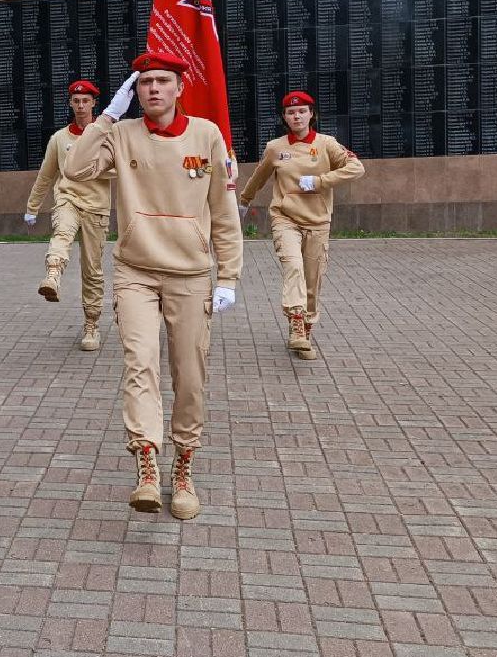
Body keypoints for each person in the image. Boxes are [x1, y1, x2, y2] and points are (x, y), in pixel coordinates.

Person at [63, 52, 243, 521]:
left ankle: (183, 467)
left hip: (188, 273)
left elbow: (224, 214)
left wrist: (228, 276)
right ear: (135, 91)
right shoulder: (120, 135)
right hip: (135, 271)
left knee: (189, 375)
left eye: (163, 81)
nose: (154, 89)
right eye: (144, 83)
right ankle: (146, 462)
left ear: (180, 87)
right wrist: (107, 116)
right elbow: (75, 170)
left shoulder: (206, 136)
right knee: (139, 363)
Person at [237, 90, 365, 360]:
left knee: (313, 279)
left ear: (311, 114)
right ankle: (296, 320)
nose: (296, 116)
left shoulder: (327, 144)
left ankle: (305, 332)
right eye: (290, 112)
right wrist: (244, 202)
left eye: (301, 111)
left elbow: (356, 168)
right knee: (293, 266)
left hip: (318, 220)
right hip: (286, 218)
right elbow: (259, 177)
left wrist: (320, 181)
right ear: (284, 117)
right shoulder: (276, 148)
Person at [24, 78, 113, 350]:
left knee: (93, 270)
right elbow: (46, 175)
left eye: (86, 100)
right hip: (68, 199)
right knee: (62, 230)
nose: (81, 105)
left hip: (97, 207)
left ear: (94, 103)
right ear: (71, 103)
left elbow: (124, 167)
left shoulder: (108, 136)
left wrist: (91, 169)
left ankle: (92, 324)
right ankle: (53, 275)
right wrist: (32, 206)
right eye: (76, 101)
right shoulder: (59, 139)